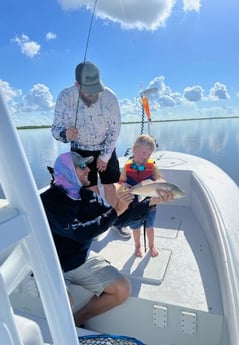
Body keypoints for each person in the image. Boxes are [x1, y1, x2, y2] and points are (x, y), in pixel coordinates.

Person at [40, 151, 175, 326]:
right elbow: (78, 232)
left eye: (87, 165)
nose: (88, 169)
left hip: (80, 259)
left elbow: (116, 219)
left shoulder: (88, 196)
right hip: (53, 264)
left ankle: (76, 321)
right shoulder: (49, 201)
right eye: (81, 166)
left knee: (122, 290)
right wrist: (116, 210)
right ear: (67, 171)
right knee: (65, 302)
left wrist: (150, 203)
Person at [51, 61, 130, 238]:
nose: (95, 94)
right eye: (89, 89)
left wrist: (105, 156)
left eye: (97, 88)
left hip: (105, 147)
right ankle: (96, 223)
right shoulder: (65, 97)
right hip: (80, 150)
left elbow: (115, 129)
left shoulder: (110, 97)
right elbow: (55, 130)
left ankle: (114, 220)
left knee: (111, 185)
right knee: (90, 189)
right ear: (77, 85)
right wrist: (65, 134)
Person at [112, 134, 160, 257]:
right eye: (143, 153)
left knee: (150, 226)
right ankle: (137, 246)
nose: (145, 157)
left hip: (150, 204)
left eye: (148, 155)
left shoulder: (152, 166)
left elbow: (158, 179)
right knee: (136, 227)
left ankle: (151, 245)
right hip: (133, 205)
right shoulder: (127, 167)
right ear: (134, 149)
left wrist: (159, 185)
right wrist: (124, 186)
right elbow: (120, 182)